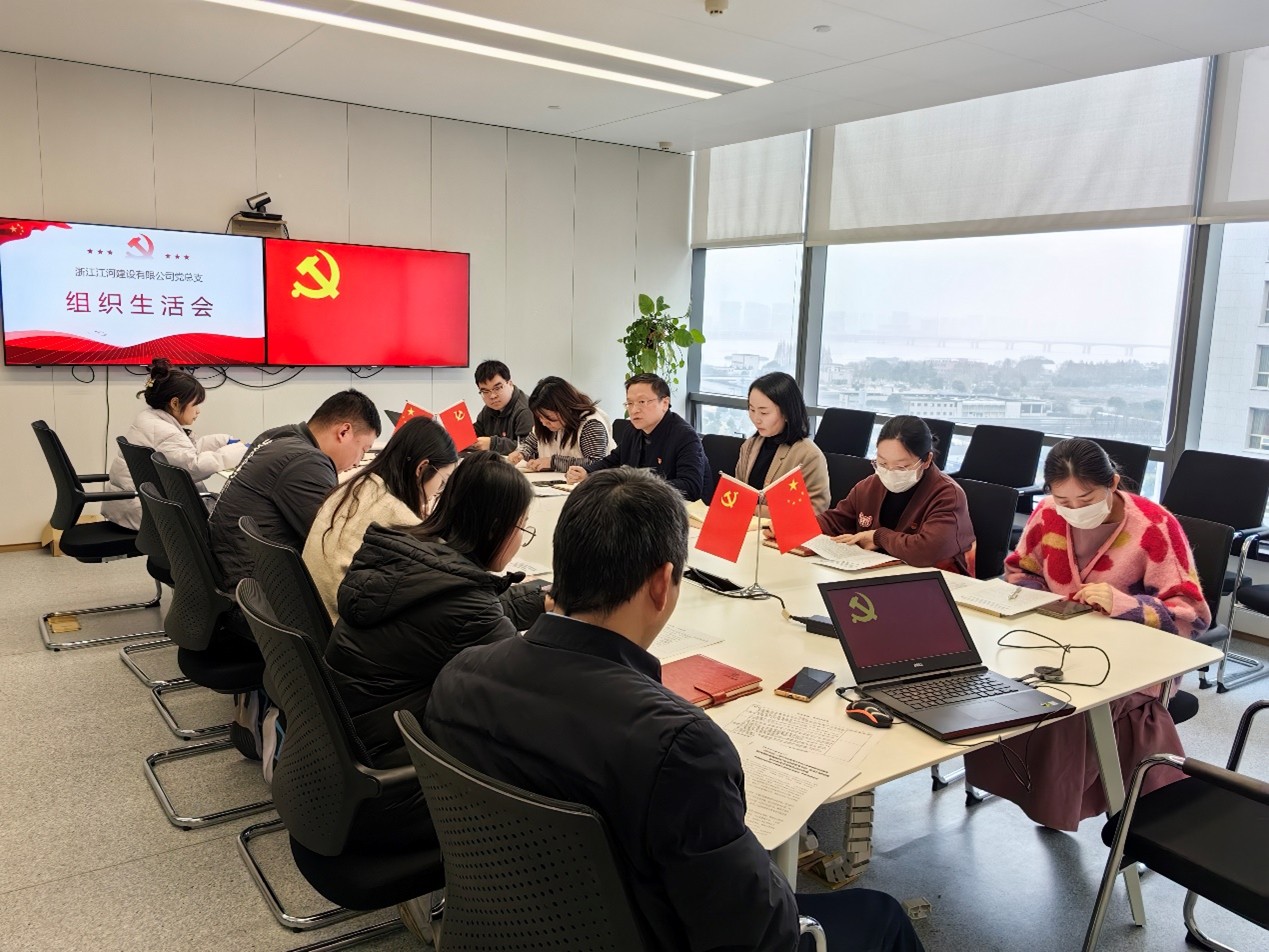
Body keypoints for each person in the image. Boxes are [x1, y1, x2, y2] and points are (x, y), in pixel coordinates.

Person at [424, 468, 925, 952]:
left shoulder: (459, 677)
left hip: (508, 927)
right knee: (881, 916)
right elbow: (758, 935)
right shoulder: (678, 747)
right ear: (662, 583)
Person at [964, 438, 1210, 831]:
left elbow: (1191, 615)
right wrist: (1048, 602)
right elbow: (1020, 571)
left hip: (1131, 660)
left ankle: (1060, 802)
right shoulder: (1048, 513)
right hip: (1054, 643)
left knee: (1067, 709)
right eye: (1063, 499)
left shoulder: (1154, 526)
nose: (1074, 510)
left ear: (1113, 483)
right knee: (996, 682)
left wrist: (1125, 605)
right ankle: (1019, 785)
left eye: (1086, 499)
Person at [324, 450, 549, 771]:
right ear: (495, 528)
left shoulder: (410, 555)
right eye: (522, 528)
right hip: (386, 756)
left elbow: (467, 615)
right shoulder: (464, 602)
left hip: (345, 734)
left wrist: (541, 599)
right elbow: (527, 686)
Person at [208, 389, 380, 589]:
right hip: (257, 587)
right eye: (363, 450)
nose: (358, 462)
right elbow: (335, 543)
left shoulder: (278, 437)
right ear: (344, 432)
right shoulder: (306, 461)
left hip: (231, 568)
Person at [302, 417, 457, 622]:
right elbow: (450, 570)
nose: (438, 491)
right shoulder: (398, 518)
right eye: (442, 482)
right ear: (421, 469)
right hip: (339, 627)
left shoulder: (357, 485)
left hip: (310, 617)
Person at [806, 415, 974, 574]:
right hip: (876, 573)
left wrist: (878, 537)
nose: (890, 472)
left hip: (937, 580)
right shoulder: (870, 485)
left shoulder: (948, 495)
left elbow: (927, 550)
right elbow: (835, 522)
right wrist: (798, 525)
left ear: (927, 460)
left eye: (902, 467)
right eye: (882, 463)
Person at [102, 357, 246, 531]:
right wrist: (242, 451)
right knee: (234, 514)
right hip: (148, 513)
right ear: (175, 403)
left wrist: (222, 441)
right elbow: (194, 467)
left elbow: (182, 452)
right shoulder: (165, 431)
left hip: (132, 506)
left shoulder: (149, 419)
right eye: (195, 405)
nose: (198, 411)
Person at [566, 373, 707, 502]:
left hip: (677, 511)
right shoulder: (633, 430)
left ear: (664, 403)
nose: (634, 410)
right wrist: (587, 472)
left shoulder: (684, 436)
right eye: (630, 403)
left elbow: (691, 487)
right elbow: (613, 460)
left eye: (642, 402)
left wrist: (639, 486)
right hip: (640, 504)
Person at [735, 371, 830, 512]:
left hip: (779, 527)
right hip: (746, 524)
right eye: (752, 409)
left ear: (786, 412)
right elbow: (737, 494)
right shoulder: (750, 445)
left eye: (764, 412)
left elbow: (815, 511)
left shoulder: (809, 455)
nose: (756, 419)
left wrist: (754, 510)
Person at [506, 375, 613, 472]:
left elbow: (597, 462)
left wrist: (553, 462)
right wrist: (521, 453)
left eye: (550, 418)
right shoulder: (545, 424)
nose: (544, 423)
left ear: (566, 409)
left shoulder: (590, 424)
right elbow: (530, 444)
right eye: (540, 417)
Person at [472, 359, 533, 453]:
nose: (492, 396)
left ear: (510, 383)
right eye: (485, 391)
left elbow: (528, 448)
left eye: (497, 388)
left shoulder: (525, 410)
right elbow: (477, 432)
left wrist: (493, 444)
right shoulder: (489, 409)